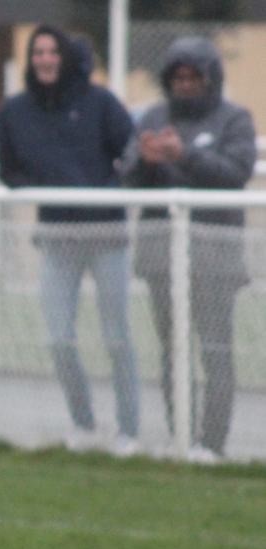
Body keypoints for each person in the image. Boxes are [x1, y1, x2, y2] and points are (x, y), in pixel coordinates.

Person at [0, 25, 140, 456]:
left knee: (116, 337)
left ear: (66, 57)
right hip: (57, 237)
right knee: (59, 337)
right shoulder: (15, 112)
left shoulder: (100, 102)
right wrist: (41, 187)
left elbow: (130, 151)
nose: (45, 59)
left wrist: (108, 188)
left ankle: (128, 429)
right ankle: (83, 423)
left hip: (106, 235)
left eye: (52, 51)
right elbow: (8, 167)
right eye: (37, 52)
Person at [119, 37, 256, 464]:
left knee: (215, 350)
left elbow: (235, 173)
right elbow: (128, 176)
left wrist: (185, 156)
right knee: (172, 351)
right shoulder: (153, 117)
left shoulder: (235, 120)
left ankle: (211, 443)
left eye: (193, 77)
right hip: (162, 256)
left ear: (210, 79)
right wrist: (146, 162)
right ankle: (180, 435)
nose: (185, 84)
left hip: (215, 257)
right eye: (178, 77)